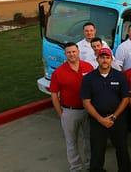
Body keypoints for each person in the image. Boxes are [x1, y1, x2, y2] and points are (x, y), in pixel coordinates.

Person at [80, 48, 131, 172]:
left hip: (117, 119)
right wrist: (101, 120)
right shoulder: (88, 78)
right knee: (97, 150)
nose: (104, 60)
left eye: (107, 57)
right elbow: (86, 102)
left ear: (111, 59)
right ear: (97, 59)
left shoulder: (120, 76)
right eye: (102, 57)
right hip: (97, 119)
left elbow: (125, 98)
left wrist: (114, 117)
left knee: (122, 148)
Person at [50, 42, 93, 172]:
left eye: (74, 51)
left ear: (78, 52)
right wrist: (60, 112)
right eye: (69, 52)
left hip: (88, 110)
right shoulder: (59, 72)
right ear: (65, 54)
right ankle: (76, 168)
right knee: (71, 141)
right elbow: (54, 94)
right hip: (69, 111)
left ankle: (91, 164)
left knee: (89, 139)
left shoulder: (88, 67)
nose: (72, 54)